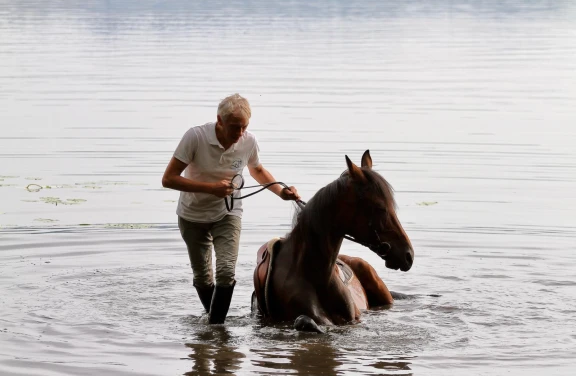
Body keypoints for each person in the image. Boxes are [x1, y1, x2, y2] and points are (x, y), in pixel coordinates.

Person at [161, 93, 300, 324]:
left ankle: (216, 328)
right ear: (219, 121)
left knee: (225, 272)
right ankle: (216, 323)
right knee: (203, 278)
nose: (239, 134)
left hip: (228, 213)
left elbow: (257, 170)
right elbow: (168, 179)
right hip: (192, 215)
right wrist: (211, 188)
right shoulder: (195, 137)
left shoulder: (248, 141)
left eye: (244, 127)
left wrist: (281, 192)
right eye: (234, 127)